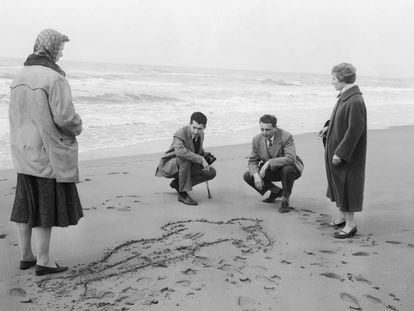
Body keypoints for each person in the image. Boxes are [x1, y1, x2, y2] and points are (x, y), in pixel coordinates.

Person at [9, 29, 83, 275]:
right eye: (61, 47)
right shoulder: (53, 78)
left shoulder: (18, 76)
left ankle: (26, 255)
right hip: (45, 151)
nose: (61, 53)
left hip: (21, 149)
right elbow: (65, 118)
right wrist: (78, 125)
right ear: (50, 47)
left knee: (24, 204)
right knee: (44, 206)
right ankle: (43, 260)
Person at [319, 63, 367, 239]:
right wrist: (327, 127)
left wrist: (341, 152)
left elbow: (355, 130)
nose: (332, 82)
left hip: (346, 155)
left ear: (342, 79)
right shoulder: (345, 96)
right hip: (337, 150)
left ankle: (350, 224)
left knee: (347, 186)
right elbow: (340, 119)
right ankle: (342, 217)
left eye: (333, 78)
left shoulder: (355, 100)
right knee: (339, 184)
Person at [243, 114, 304, 213]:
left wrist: (268, 163)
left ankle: (285, 200)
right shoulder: (256, 139)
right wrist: (256, 175)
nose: (264, 133)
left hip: (291, 168)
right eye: (262, 129)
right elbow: (252, 161)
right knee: (248, 176)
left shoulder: (286, 136)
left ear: (275, 128)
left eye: (267, 130)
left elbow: (290, 159)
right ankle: (276, 191)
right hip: (271, 170)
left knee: (287, 169)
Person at [155, 112, 216, 205]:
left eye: (199, 129)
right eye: (194, 127)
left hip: (186, 166)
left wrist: (205, 156)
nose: (196, 131)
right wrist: (201, 159)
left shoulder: (201, 134)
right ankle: (182, 194)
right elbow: (181, 152)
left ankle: (178, 184)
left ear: (204, 127)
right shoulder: (180, 133)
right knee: (184, 159)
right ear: (190, 124)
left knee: (211, 172)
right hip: (170, 166)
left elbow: (197, 150)